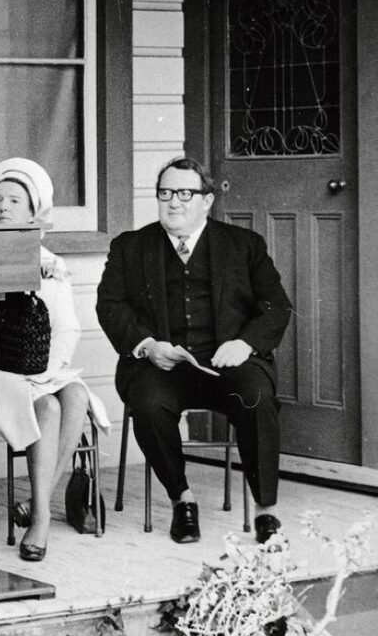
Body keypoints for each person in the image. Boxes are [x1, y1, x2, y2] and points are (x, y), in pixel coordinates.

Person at [96, 157, 292, 545]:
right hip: (162, 365)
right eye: (165, 193)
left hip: (227, 366)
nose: (174, 202)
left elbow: (276, 306)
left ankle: (266, 509)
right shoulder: (130, 247)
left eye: (186, 193)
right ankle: (182, 499)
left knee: (255, 397)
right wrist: (148, 346)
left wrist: (245, 342)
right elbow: (110, 306)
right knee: (148, 403)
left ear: (207, 201)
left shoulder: (243, 246)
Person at [0, 158, 111, 562]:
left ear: (33, 209)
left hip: (40, 367)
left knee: (73, 394)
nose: (4, 207)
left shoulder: (51, 264)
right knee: (48, 407)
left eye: (15, 200)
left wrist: (50, 369)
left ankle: (42, 503)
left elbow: (67, 327)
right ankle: (40, 518)